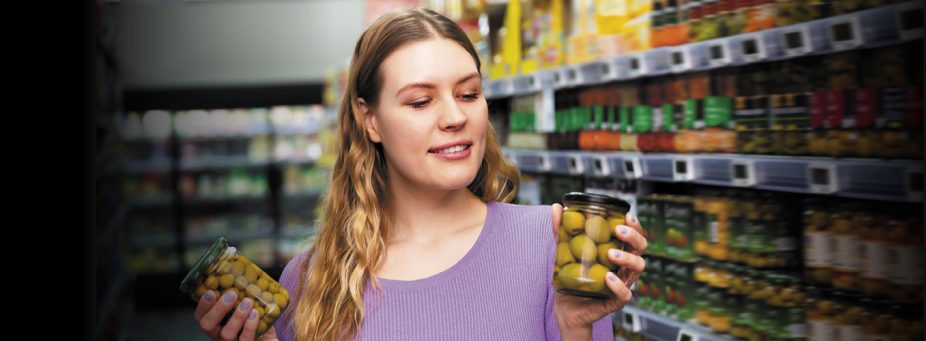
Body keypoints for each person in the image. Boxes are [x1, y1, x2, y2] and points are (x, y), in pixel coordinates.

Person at [192, 7, 648, 340]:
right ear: (370, 120)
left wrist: (574, 327)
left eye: (469, 94)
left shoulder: (550, 245)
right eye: (420, 101)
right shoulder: (313, 278)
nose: (455, 116)